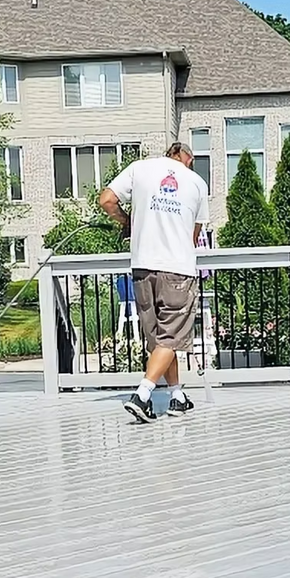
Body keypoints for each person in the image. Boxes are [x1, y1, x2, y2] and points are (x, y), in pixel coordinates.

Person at [99, 140, 210, 423]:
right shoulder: (196, 182)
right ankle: (142, 395)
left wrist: (128, 223)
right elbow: (194, 235)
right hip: (177, 269)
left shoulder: (139, 169)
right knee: (170, 338)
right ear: (187, 158)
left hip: (142, 267)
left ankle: (176, 396)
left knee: (160, 340)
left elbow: (106, 200)